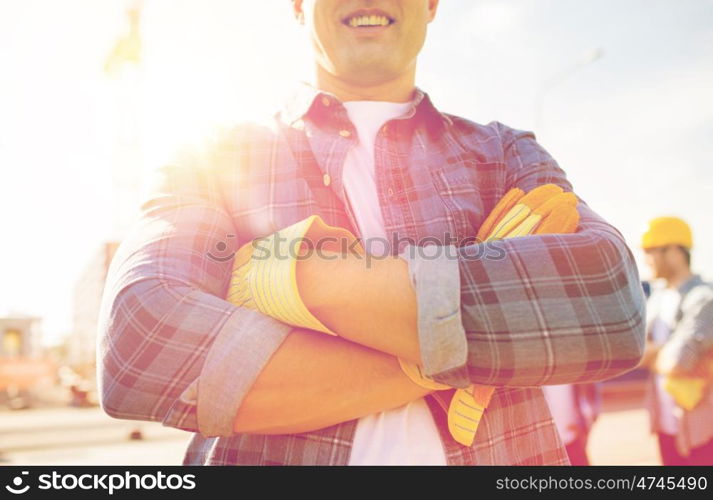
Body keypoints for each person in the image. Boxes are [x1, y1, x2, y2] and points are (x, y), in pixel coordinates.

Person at [97, 0, 646, 465]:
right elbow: (141, 344)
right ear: (296, 5)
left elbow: (611, 305)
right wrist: (493, 340)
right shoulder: (211, 155)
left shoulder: (505, 155)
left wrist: (299, 279)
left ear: (432, 4)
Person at [639, 216, 713, 465]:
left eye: (650, 251)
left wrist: (652, 354)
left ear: (674, 251)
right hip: (665, 424)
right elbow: (633, 353)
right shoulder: (657, 298)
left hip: (701, 429)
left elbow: (679, 364)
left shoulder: (706, 299)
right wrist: (665, 351)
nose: (645, 259)